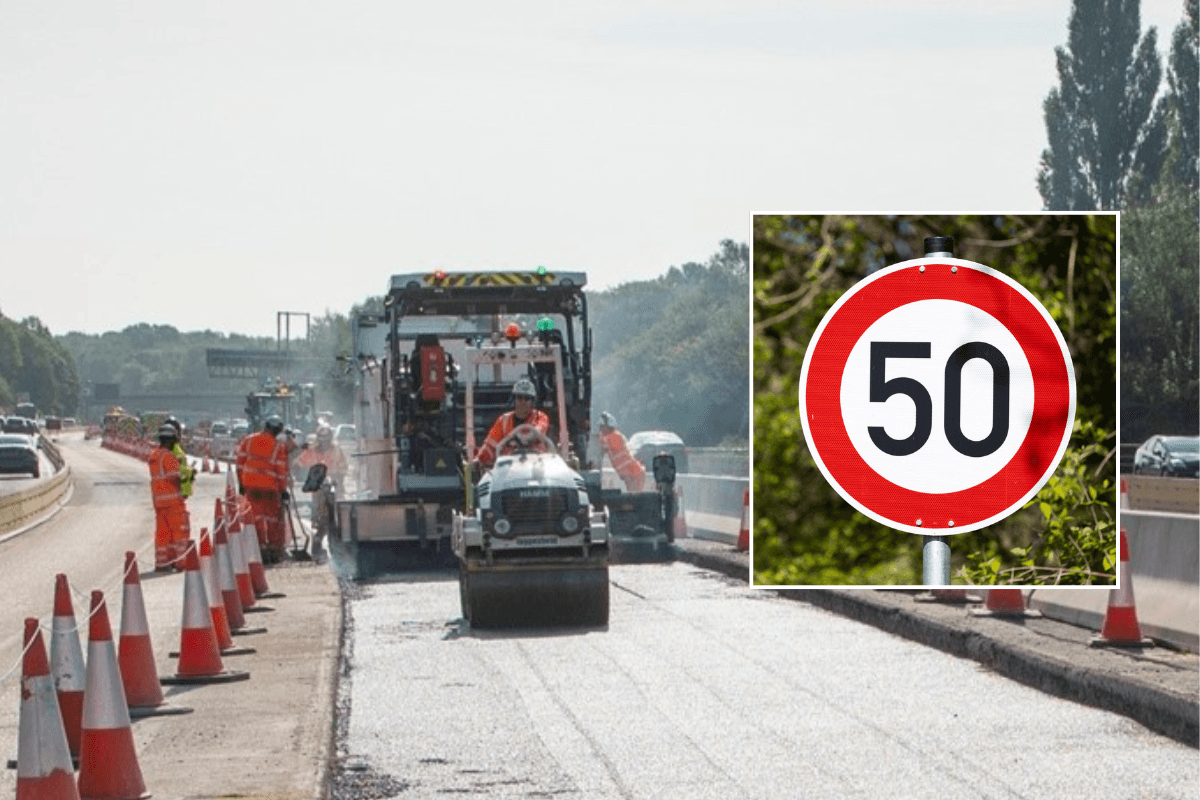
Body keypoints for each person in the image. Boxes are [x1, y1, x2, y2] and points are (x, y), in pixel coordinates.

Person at [236, 415, 291, 563]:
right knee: (273, 518)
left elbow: (240, 464)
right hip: (269, 488)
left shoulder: (248, 440)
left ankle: (258, 548)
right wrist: (283, 490)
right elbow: (281, 470)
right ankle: (274, 550)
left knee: (255, 517)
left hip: (250, 486)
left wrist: (241, 484)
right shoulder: (278, 446)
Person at [294, 424, 348, 560]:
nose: (324, 440)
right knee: (321, 522)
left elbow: (343, 468)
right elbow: (298, 465)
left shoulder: (337, 450)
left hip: (335, 490)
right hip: (319, 493)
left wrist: (336, 477)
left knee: (337, 522)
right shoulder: (311, 451)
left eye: (326, 437)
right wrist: (305, 476)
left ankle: (338, 551)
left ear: (330, 437)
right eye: (321, 437)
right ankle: (317, 550)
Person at [473, 377, 551, 470]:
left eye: (527, 398)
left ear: (532, 401)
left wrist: (525, 437)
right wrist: (479, 459)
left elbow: (540, 428)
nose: (523, 401)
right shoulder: (502, 420)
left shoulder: (541, 417)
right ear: (514, 399)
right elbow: (490, 443)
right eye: (519, 397)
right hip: (509, 469)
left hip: (536, 467)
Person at [148, 423, 191, 571]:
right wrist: (187, 476)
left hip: (159, 501)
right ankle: (181, 562)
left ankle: (162, 562)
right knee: (179, 532)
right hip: (173, 501)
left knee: (162, 534)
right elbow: (175, 478)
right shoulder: (169, 457)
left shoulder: (154, 456)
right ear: (172, 439)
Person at [597, 411, 645, 492]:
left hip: (635, 474)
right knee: (631, 496)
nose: (600, 428)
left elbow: (605, 448)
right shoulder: (608, 436)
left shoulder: (614, 436)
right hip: (631, 474)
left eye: (603, 426)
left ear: (609, 426)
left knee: (634, 497)